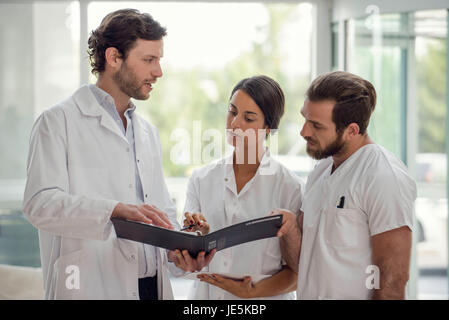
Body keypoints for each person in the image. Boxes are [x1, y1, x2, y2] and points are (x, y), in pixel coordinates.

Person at [22, 9, 211, 300]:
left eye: (159, 60)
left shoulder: (147, 133)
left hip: (151, 289)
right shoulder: (57, 122)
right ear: (113, 58)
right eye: (149, 60)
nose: (158, 72)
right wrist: (114, 211)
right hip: (91, 287)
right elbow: (40, 204)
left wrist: (180, 251)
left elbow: (161, 214)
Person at [275, 71, 417, 299]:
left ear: (352, 130)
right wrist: (290, 229)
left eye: (316, 126)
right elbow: (304, 265)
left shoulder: (384, 177)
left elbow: (392, 282)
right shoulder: (320, 171)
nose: (304, 132)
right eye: (305, 118)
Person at [175, 75, 303, 300]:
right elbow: (189, 253)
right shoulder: (201, 179)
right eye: (232, 112)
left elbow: (297, 272)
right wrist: (196, 234)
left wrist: (252, 293)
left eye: (249, 118)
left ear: (268, 128)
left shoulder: (290, 187)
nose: (235, 124)